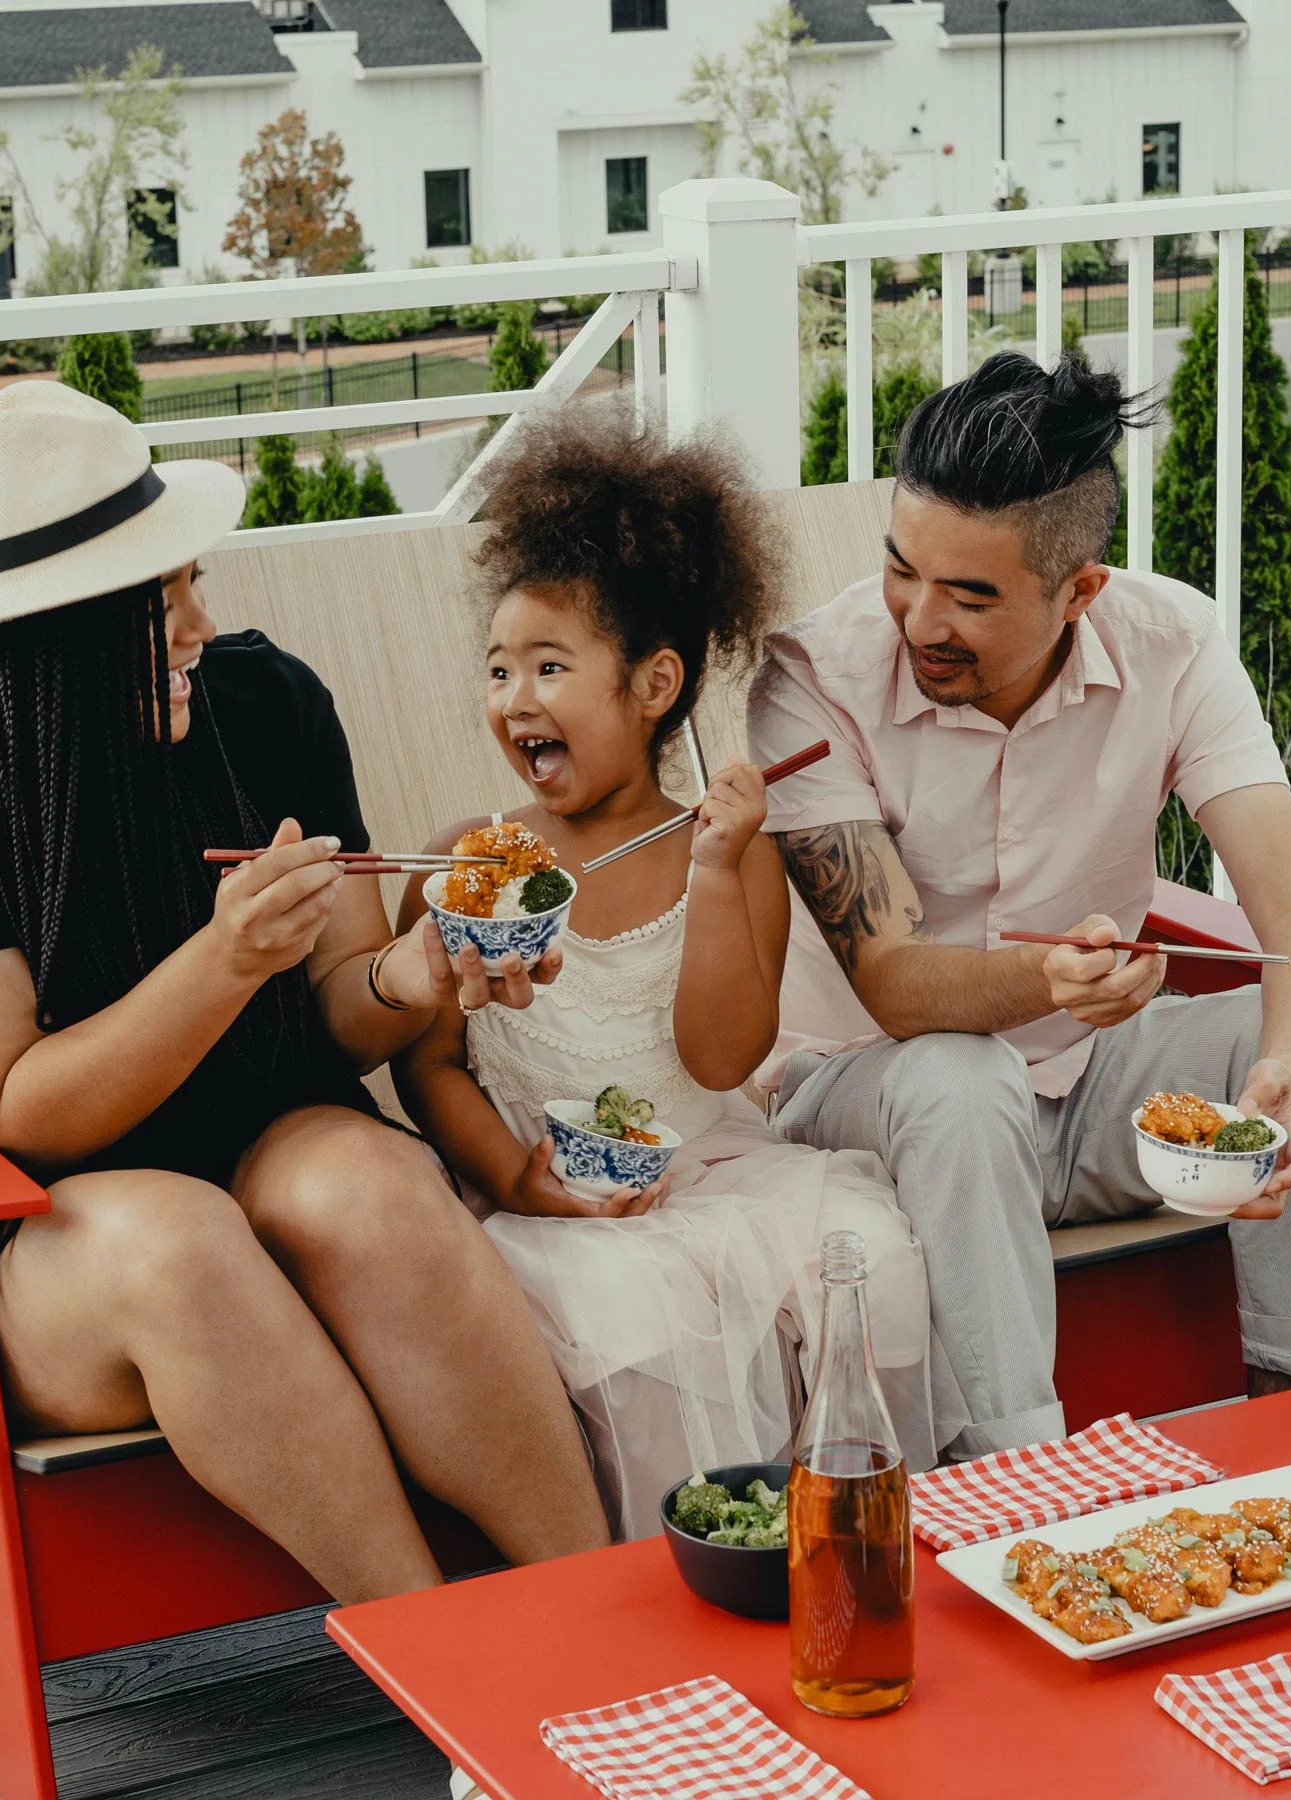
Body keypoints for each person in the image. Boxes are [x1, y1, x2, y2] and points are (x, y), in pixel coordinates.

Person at [0, 381, 609, 1602]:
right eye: (163, 595)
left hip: (258, 1164)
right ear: (54, 630)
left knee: (367, 1184)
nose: (199, 623)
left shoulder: (262, 704)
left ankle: (600, 1618)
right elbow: (19, 1104)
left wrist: (411, 972)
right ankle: (437, 1658)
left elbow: (340, 1005)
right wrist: (224, 960)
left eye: (192, 580)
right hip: (6, 1244)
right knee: (178, 1244)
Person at [748, 352, 1291, 1461]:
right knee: (960, 1075)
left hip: (1086, 1092)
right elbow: (894, 983)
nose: (918, 617)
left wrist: (1274, 1077)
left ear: (1080, 591)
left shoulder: (1171, 643)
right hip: (863, 1106)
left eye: (972, 596)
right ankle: (1015, 1476)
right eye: (904, 571)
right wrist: (1051, 980)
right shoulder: (810, 678)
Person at [391, 411, 937, 1539]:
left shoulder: (732, 854)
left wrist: (720, 863)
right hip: (547, 1204)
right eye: (499, 670)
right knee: (643, 1319)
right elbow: (433, 1065)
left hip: (714, 1167)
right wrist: (518, 1177)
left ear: (653, 686)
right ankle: (675, 1590)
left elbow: (722, 1058)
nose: (515, 699)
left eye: (551, 667)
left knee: (870, 1266)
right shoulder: (467, 868)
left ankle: (857, 1544)